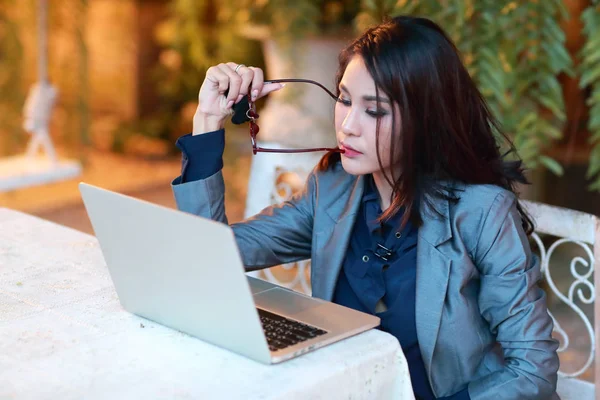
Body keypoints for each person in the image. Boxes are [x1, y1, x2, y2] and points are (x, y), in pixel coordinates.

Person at [171, 15, 559, 400]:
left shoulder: (482, 213)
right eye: (344, 99)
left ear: (426, 119)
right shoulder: (332, 190)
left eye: (374, 110)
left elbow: (532, 369)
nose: (348, 126)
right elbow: (208, 255)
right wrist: (207, 120)